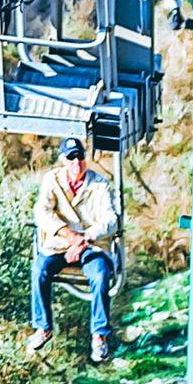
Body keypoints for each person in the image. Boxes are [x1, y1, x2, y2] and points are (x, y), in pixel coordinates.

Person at [29, 137, 123, 364]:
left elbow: (111, 219)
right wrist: (69, 237)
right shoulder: (52, 180)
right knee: (39, 269)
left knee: (100, 275)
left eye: (79, 157)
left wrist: (85, 239)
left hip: (91, 248)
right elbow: (42, 212)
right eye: (70, 158)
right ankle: (43, 327)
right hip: (60, 246)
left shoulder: (100, 184)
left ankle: (99, 335)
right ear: (63, 160)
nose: (76, 162)